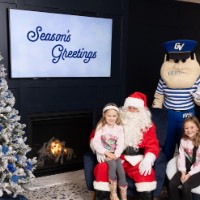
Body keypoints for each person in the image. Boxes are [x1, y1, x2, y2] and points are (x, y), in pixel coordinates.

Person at [90, 92, 160, 200]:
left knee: (146, 174)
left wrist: (148, 159)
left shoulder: (148, 125)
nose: (131, 111)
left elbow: (153, 144)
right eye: (129, 107)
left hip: (137, 160)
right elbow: (95, 134)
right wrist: (99, 150)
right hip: (116, 156)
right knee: (102, 168)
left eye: (135, 108)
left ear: (142, 111)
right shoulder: (116, 120)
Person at [152, 39, 200, 161]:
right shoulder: (164, 79)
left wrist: (197, 97)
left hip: (187, 115)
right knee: (167, 145)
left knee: (188, 146)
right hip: (169, 115)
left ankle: (188, 175)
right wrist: (156, 115)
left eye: (183, 60)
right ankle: (165, 176)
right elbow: (158, 96)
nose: (179, 65)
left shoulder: (196, 79)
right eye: (176, 60)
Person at [92, 103, 127, 200]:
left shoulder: (119, 128)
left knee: (121, 172)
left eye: (114, 116)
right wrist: (106, 153)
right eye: (109, 116)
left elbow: (121, 143)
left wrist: (116, 155)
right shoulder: (101, 127)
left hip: (115, 154)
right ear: (104, 115)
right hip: (105, 154)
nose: (111, 118)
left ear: (117, 116)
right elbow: (96, 143)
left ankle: (124, 196)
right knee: (113, 166)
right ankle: (113, 194)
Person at [168, 116, 200, 200]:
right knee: (172, 184)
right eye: (186, 128)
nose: (189, 130)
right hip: (188, 167)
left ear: (197, 127)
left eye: (192, 127)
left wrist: (189, 174)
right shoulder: (183, 140)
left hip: (198, 170)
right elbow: (181, 156)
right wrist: (182, 171)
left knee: (186, 185)